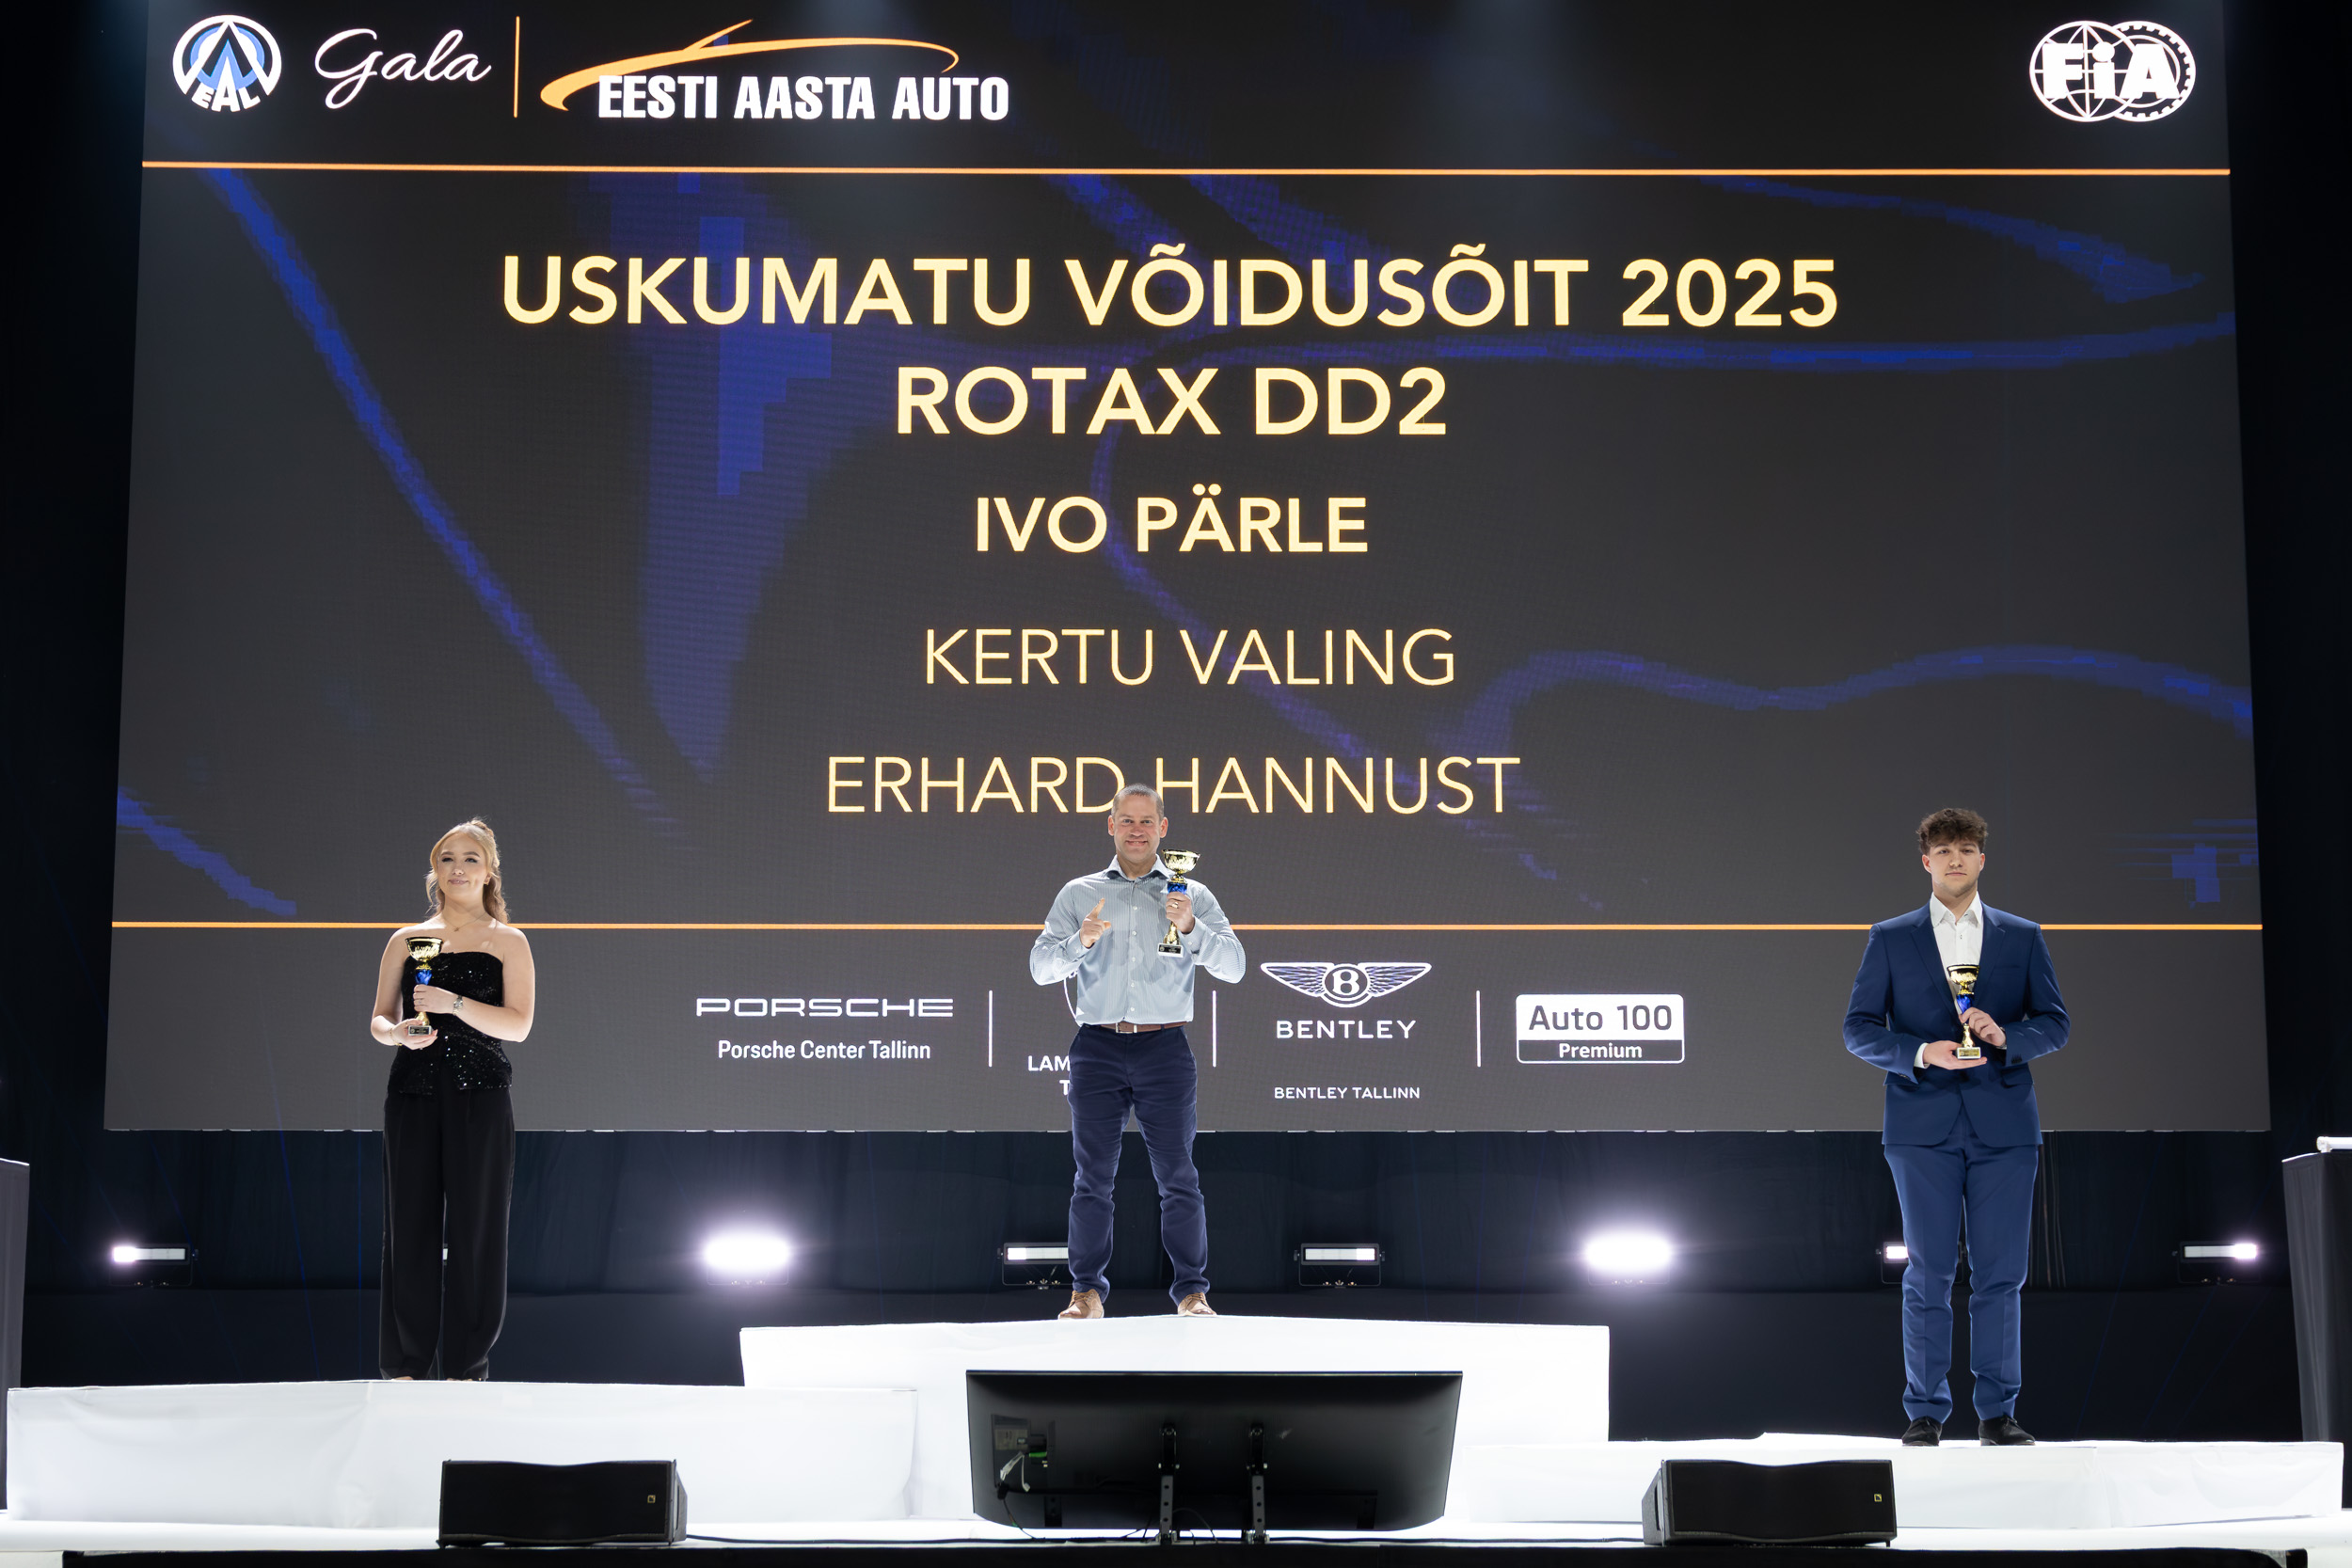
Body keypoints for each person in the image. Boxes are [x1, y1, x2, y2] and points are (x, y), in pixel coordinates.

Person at [1844, 807, 2069, 1446]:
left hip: (2004, 1125)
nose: (1954, 859)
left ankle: (1997, 1413)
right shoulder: (1892, 937)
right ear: (1926, 861)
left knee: (2001, 1274)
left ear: (1981, 859)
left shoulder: (2021, 935)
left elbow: (2055, 1022)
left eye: (1965, 849)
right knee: (1929, 1273)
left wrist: (2007, 1036)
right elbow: (1858, 1028)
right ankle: (1925, 1411)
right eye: (1943, 850)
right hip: (1922, 1125)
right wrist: (1922, 1051)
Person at [1029, 783, 1246, 1319]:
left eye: (1146, 821)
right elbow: (1040, 969)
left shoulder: (1190, 893)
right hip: (1097, 1048)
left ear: (1163, 828)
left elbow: (1235, 967)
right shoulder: (1079, 893)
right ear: (1111, 826)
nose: (1136, 830)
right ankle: (1086, 1293)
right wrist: (1080, 941)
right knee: (1091, 1179)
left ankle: (1192, 1293)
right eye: (1126, 820)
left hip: (1164, 1048)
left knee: (1178, 1177)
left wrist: (1190, 926)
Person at [367, 818, 535, 1379]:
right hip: (412, 1092)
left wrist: (453, 1003)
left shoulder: (509, 941)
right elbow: (380, 1019)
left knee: (476, 1230)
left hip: (480, 1095)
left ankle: (467, 1367)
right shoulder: (405, 939)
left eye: (470, 859)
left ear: (489, 873)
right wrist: (397, 1033)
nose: (457, 869)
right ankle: (407, 1364)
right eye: (447, 859)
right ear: (434, 871)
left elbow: (518, 1026)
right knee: (408, 1228)